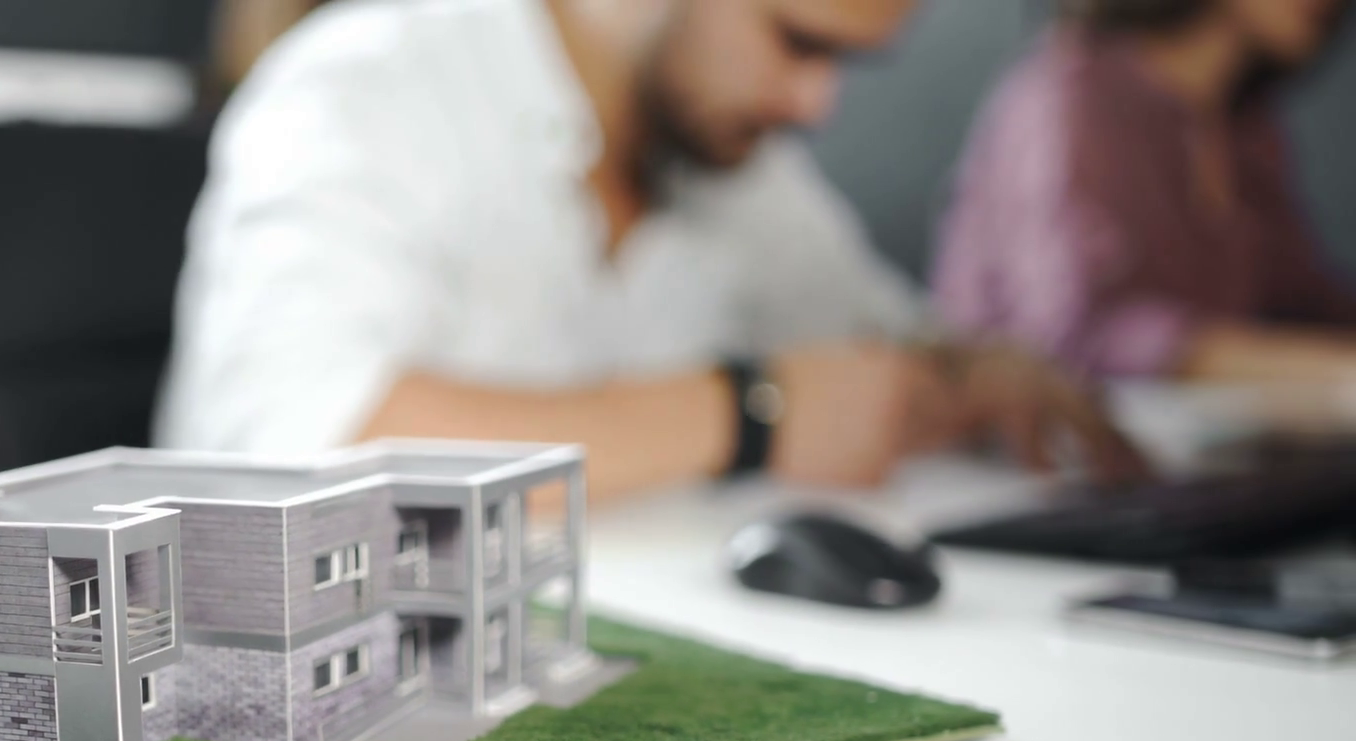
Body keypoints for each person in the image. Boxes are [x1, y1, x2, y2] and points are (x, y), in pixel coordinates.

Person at [160, 0, 1142, 499]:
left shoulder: (728, 160)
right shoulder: (362, 88)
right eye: (798, 42)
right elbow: (306, 447)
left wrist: (973, 372)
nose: (817, 104)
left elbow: (874, 335)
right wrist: (750, 416)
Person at [935, 0, 1356, 385]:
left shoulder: (1243, 128)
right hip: (1033, 439)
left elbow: (1305, 300)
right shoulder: (1068, 95)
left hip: (1197, 441)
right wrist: (1327, 372)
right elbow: (1073, 335)